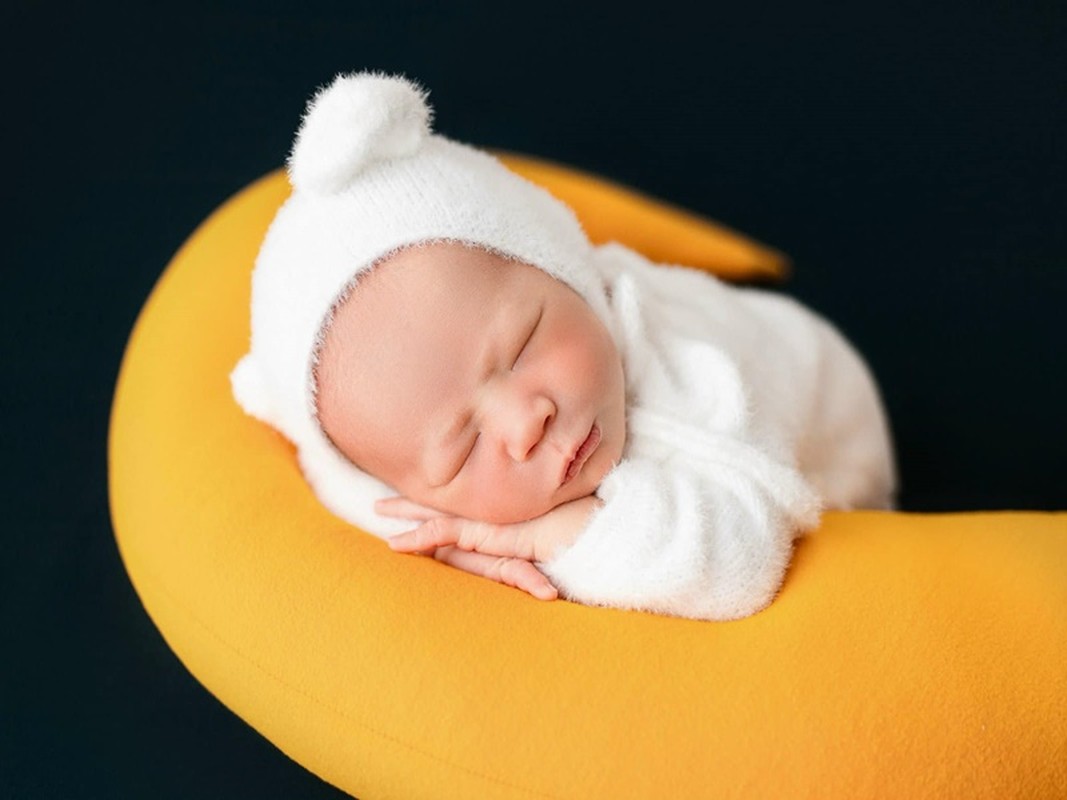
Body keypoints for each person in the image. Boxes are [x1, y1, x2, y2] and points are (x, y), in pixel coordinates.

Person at [231, 71, 896, 621]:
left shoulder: (680, 375)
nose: (526, 420)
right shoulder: (404, 466)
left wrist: (539, 535)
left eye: (521, 347)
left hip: (837, 456)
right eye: (461, 448)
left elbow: (739, 565)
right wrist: (454, 539)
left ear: (561, 266)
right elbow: (357, 493)